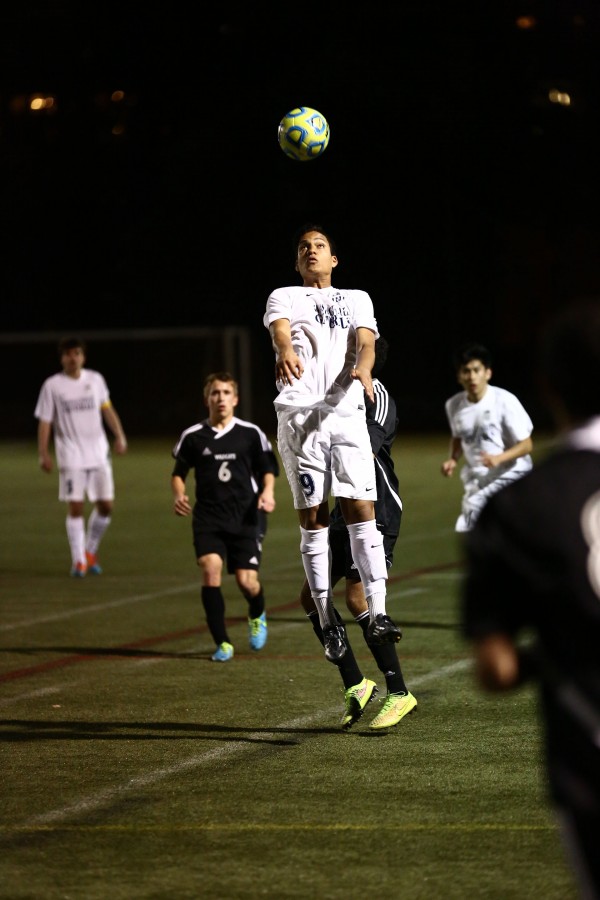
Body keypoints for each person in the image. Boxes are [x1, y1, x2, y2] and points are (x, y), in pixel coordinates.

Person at [461, 299, 600, 900]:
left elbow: (495, 668)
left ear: (547, 387)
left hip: (588, 763)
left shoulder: (518, 509)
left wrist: (561, 653)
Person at [264, 223, 402, 665]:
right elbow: (280, 331)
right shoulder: (284, 294)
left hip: (346, 415)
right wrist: (284, 349)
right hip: (301, 417)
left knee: (361, 509)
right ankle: (326, 620)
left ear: (334, 259)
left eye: (319, 246)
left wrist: (364, 368)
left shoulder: (357, 297)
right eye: (303, 246)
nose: (311, 251)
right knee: (314, 518)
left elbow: (366, 341)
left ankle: (379, 612)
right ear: (297, 260)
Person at [299, 335, 417, 729]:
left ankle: (399, 692)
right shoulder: (333, 394)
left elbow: (360, 452)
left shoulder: (376, 396)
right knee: (310, 597)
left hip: (375, 507)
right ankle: (356, 683)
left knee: (355, 596)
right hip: (341, 509)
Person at [171, 372, 279, 662]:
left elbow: (268, 469)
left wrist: (268, 492)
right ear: (207, 399)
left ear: (236, 399)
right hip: (209, 518)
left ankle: (257, 611)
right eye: (215, 393)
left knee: (247, 582)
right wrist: (179, 494)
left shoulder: (250, 433)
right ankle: (222, 643)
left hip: (246, 516)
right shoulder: (193, 437)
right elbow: (179, 474)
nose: (220, 398)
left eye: (226, 393)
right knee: (211, 570)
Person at [34, 336, 128, 577]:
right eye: (67, 354)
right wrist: (43, 453)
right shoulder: (52, 385)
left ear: (83, 357)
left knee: (106, 506)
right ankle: (78, 561)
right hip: (71, 455)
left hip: (98, 453)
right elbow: (45, 422)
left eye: (76, 353)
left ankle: (90, 550)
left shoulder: (95, 380)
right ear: (61, 358)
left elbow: (107, 409)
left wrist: (119, 435)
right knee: (76, 506)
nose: (72, 358)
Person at [440, 342, 534, 532]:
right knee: (496, 524)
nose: (472, 376)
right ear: (459, 376)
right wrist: (453, 459)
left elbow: (526, 445)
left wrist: (498, 458)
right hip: (481, 474)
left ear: (488, 373)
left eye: (477, 370)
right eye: (466, 371)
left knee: (472, 515)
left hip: (512, 470)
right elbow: (458, 436)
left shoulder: (504, 401)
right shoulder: (454, 405)